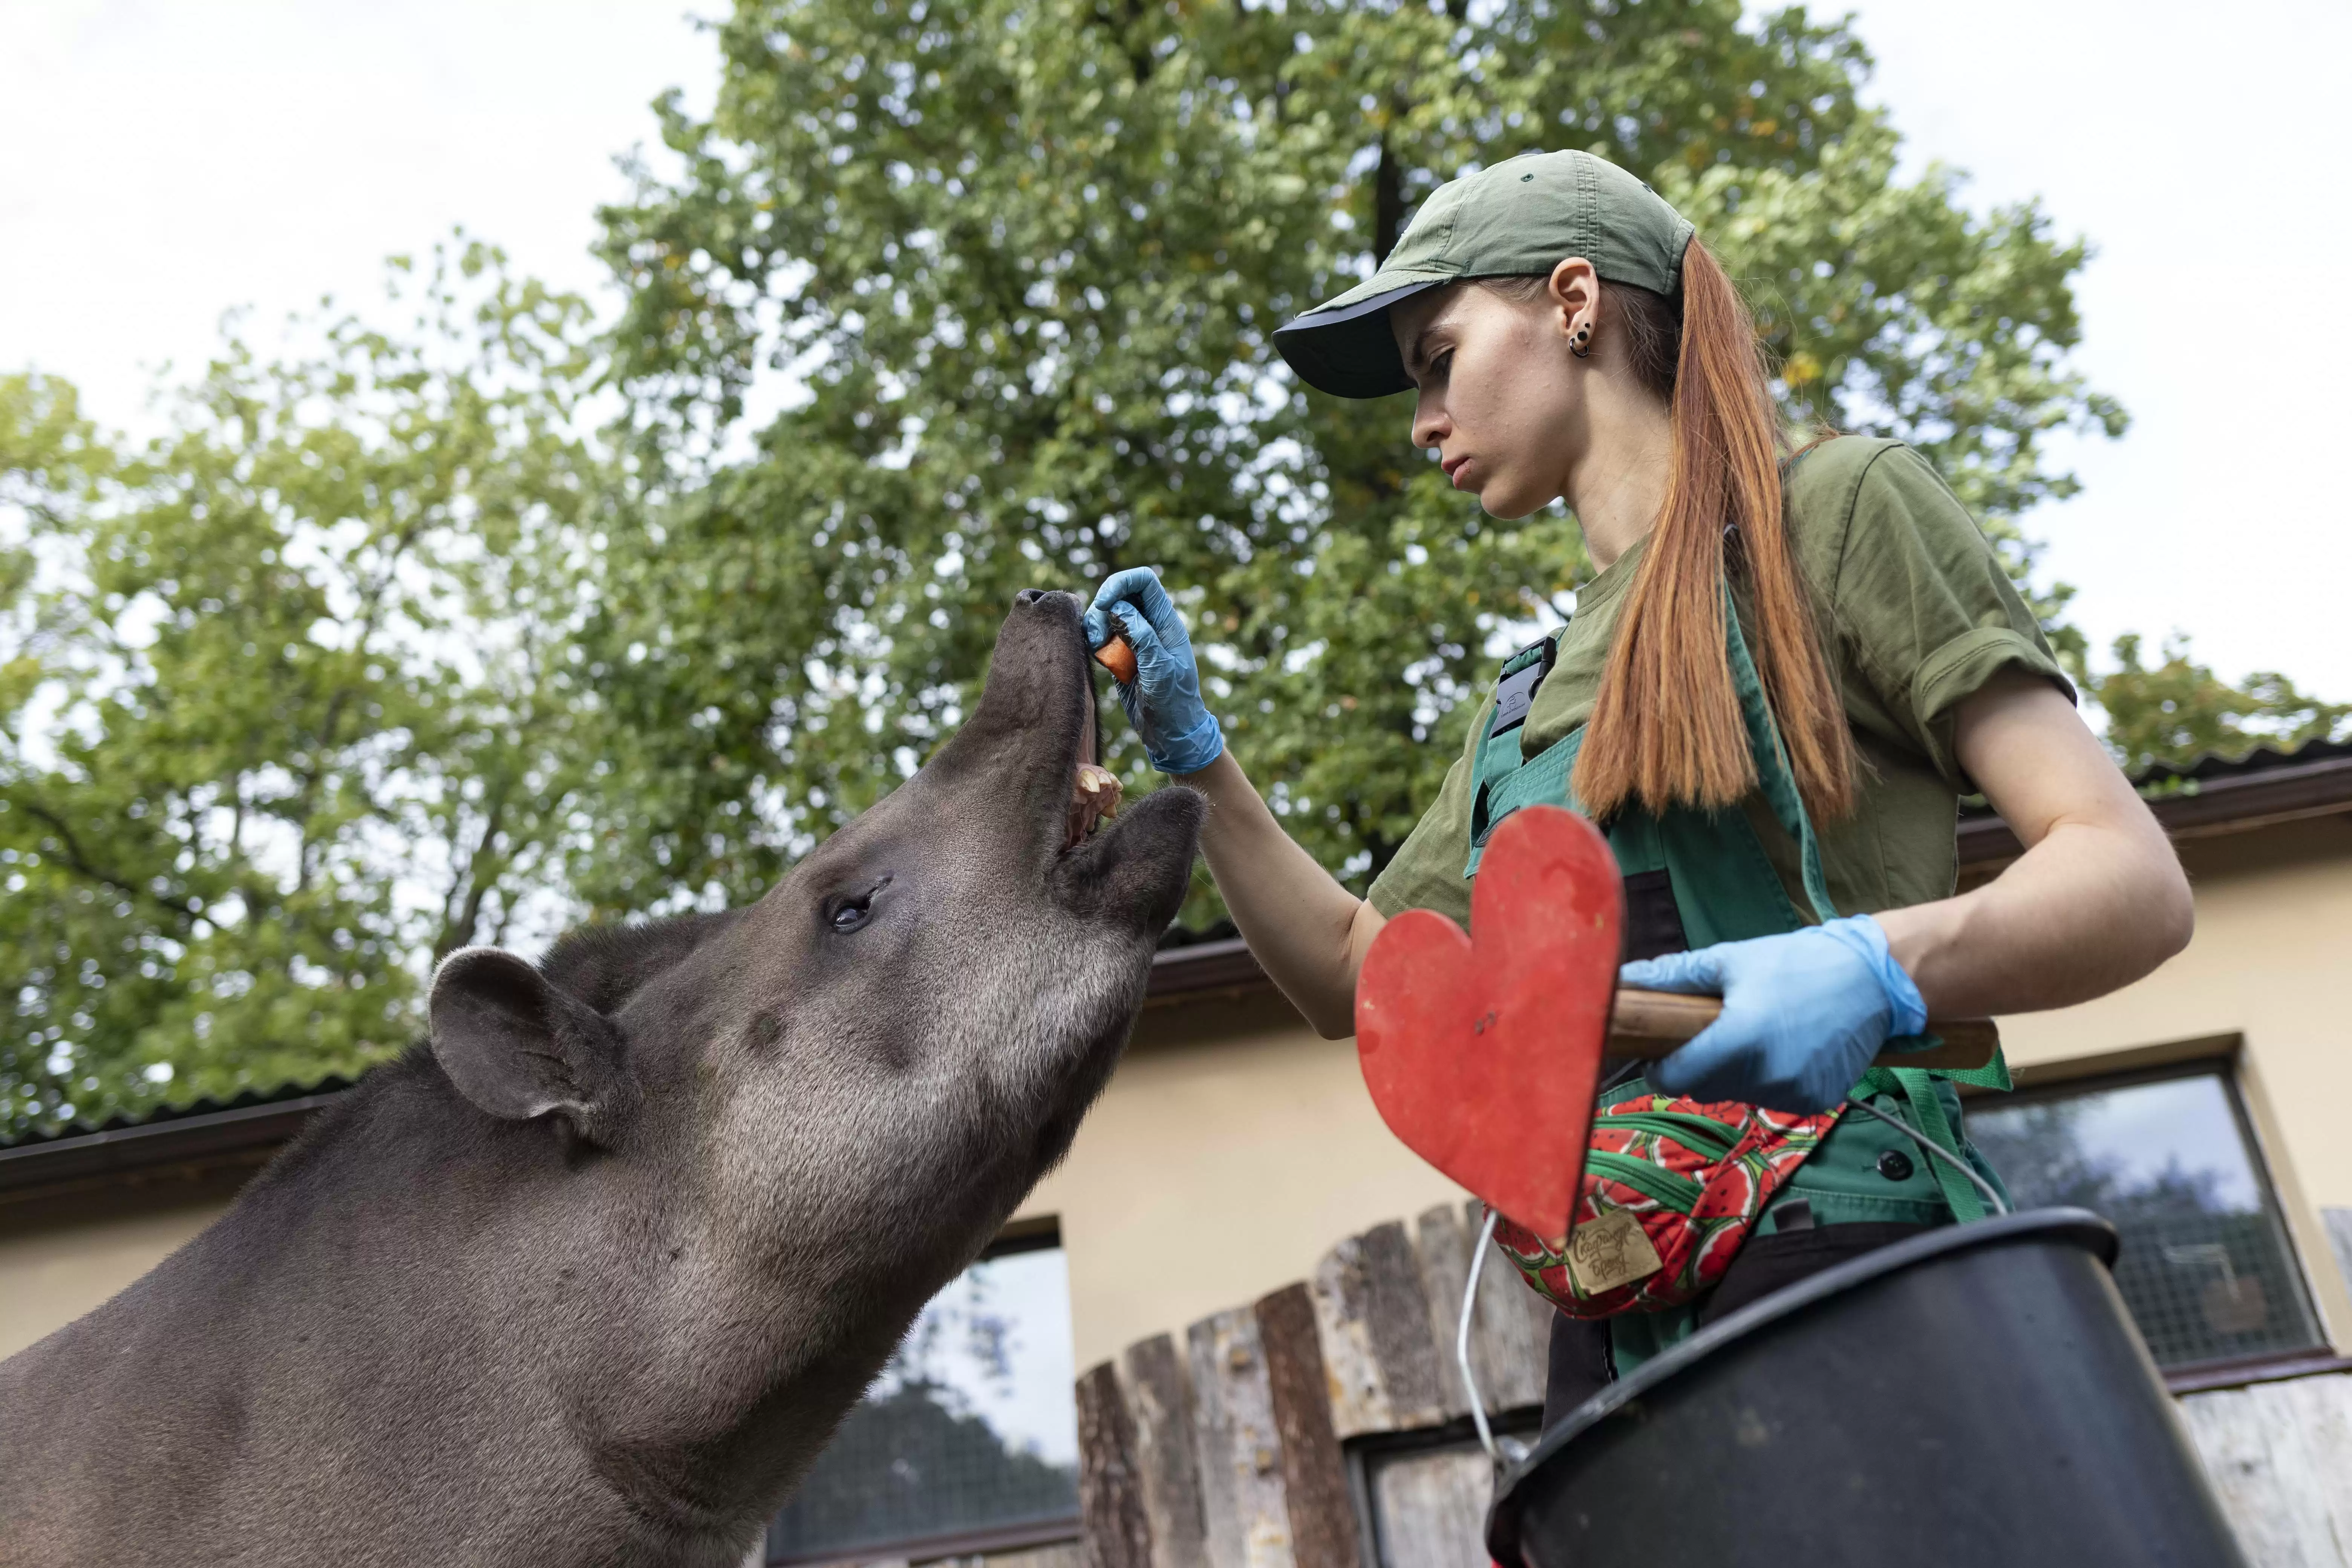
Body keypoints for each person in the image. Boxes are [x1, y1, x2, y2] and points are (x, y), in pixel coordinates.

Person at [1083, 149, 2193, 1418]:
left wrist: (1876, 965)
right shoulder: (1522, 701)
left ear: (1573, 302)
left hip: (1855, 1263)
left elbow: (2129, 875)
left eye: (1438, 359)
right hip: (1619, 1337)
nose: (1421, 421)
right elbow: (1356, 975)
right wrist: (1195, 762)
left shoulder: (1833, 512)